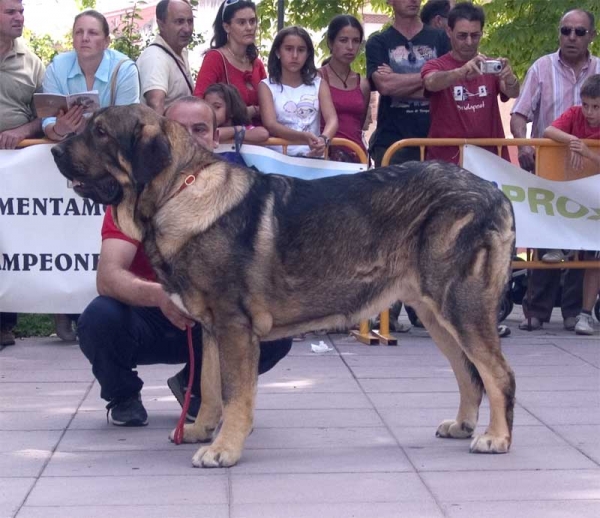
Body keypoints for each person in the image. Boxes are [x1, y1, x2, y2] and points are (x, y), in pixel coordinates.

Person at [77, 97, 292, 427]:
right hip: (150, 315)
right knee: (98, 318)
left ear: (215, 138)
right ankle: (122, 395)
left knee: (273, 327)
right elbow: (108, 277)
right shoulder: (133, 196)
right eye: (179, 129)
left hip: (211, 319)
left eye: (200, 129)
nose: (190, 137)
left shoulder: (238, 194)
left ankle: (197, 390)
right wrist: (163, 297)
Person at [40, 9, 140, 341]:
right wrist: (58, 127)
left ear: (106, 40)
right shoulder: (57, 67)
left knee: (105, 235)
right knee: (61, 234)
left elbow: (129, 119)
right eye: (80, 32)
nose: (85, 38)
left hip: (108, 164)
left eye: (93, 33)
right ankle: (63, 308)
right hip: (70, 154)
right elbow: (45, 116)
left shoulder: (123, 68)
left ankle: (113, 305)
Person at [510, 9, 599, 331]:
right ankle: (536, 311)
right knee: (545, 238)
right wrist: (523, 146)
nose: (571, 37)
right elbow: (520, 113)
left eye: (579, 31)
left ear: (591, 35)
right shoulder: (542, 67)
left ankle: (575, 312)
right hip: (548, 166)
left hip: (590, 175)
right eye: (565, 31)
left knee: (582, 238)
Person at [421, 2, 520, 164]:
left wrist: (510, 78)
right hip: (448, 162)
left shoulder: (490, 65)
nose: (469, 42)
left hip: (490, 159)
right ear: (448, 31)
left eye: (475, 35)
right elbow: (430, 82)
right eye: (462, 35)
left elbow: (513, 92)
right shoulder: (436, 65)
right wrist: (460, 72)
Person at [0, 0, 45, 346]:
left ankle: (4, 324)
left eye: (21, 11)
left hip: (15, 159)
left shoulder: (31, 63)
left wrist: (23, 131)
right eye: (10, 12)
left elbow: (45, 115)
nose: (19, 18)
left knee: (10, 238)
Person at [543, 74, 600, 335]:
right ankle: (560, 244)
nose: (589, 112)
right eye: (586, 104)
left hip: (595, 201)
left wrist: (589, 153)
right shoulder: (574, 114)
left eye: (596, 107)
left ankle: (585, 314)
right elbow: (548, 130)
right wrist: (573, 142)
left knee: (594, 260)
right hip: (574, 196)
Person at [366, 0, 450, 167]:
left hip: (436, 141)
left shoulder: (441, 38)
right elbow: (385, 86)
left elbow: (447, 85)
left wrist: (397, 80)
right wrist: (432, 78)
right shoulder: (378, 42)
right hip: (391, 142)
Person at [258, 26, 338, 158]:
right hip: (278, 159)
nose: (295, 56)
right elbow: (271, 124)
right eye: (288, 49)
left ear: (308, 54)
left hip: (313, 158)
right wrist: (303, 137)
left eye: (301, 50)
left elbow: (332, 119)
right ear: (278, 52)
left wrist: (324, 139)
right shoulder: (266, 86)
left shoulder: (319, 84)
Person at [194, 0, 265, 125]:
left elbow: (269, 102)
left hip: (260, 138)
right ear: (226, 27)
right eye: (241, 22)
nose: (249, 27)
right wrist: (248, 112)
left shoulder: (256, 63)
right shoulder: (215, 58)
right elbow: (199, 103)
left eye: (252, 21)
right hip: (227, 139)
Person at [319, 14, 370, 163]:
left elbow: (359, 124)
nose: (350, 47)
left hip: (357, 156)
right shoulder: (317, 78)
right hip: (325, 156)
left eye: (355, 41)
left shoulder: (363, 83)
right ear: (330, 43)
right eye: (343, 40)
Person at [137, 0, 194, 115]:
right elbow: (155, 105)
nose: (187, 29)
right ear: (161, 25)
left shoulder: (179, 52)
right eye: (179, 22)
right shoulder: (155, 57)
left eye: (190, 21)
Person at [203, 83, 269, 144]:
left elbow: (263, 134)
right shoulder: (203, 131)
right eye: (207, 107)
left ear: (232, 110)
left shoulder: (243, 128)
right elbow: (214, 135)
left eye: (217, 107)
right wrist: (235, 130)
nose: (211, 112)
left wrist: (238, 132)